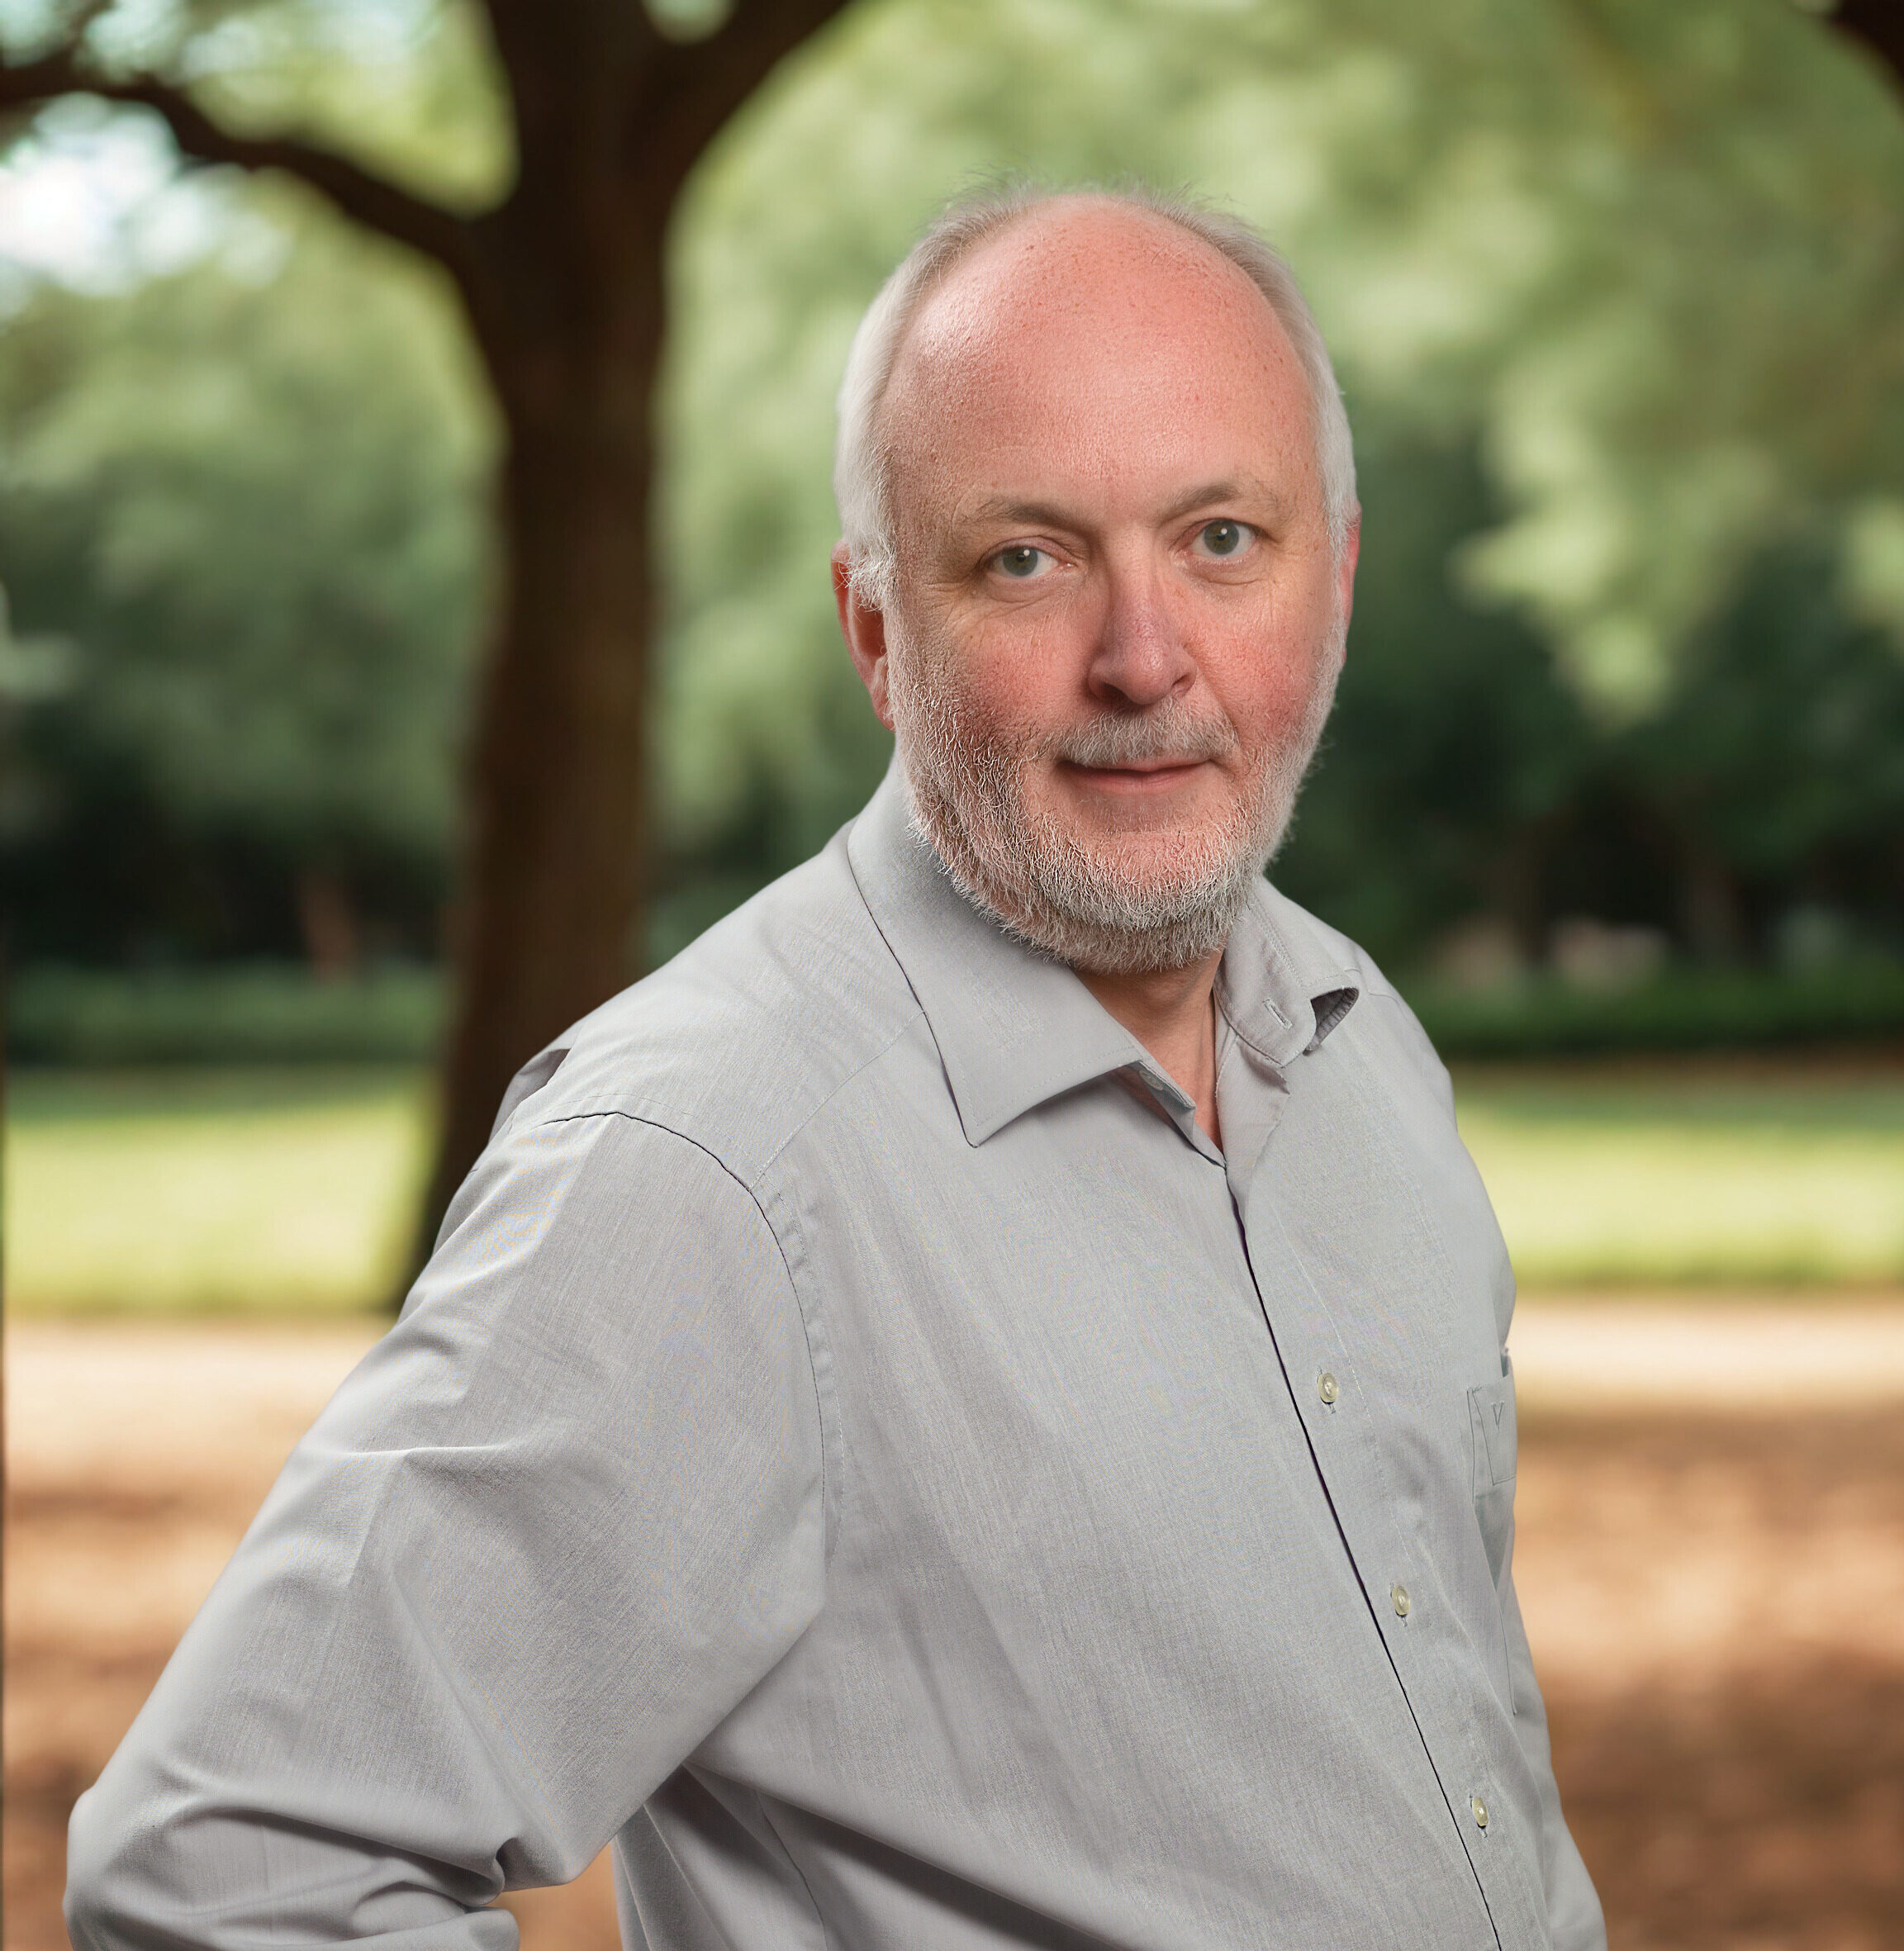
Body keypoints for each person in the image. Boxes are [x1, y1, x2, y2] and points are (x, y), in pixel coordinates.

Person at [66, 185, 1606, 1951]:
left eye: (1218, 538)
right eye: (1023, 556)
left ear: (1333, 567)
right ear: (877, 630)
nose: (1142, 656)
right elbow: (222, 1868)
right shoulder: (701, 1162)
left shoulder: (1358, 1043)